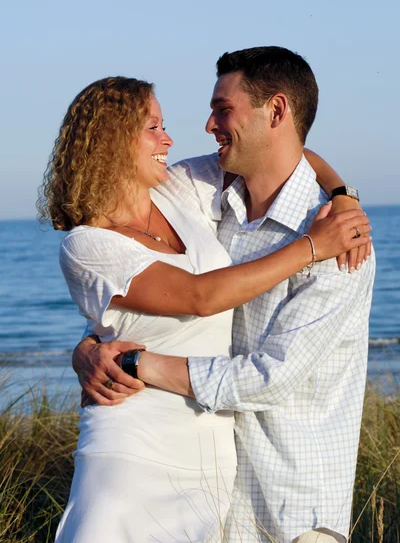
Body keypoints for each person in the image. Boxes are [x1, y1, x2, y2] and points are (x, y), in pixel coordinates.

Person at [73, 48, 375, 543]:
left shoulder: (341, 245)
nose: (209, 124)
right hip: (213, 492)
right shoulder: (212, 193)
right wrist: (90, 344)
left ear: (276, 111)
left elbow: (270, 378)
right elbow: (145, 282)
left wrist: (135, 365)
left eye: (223, 109)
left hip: (292, 507)